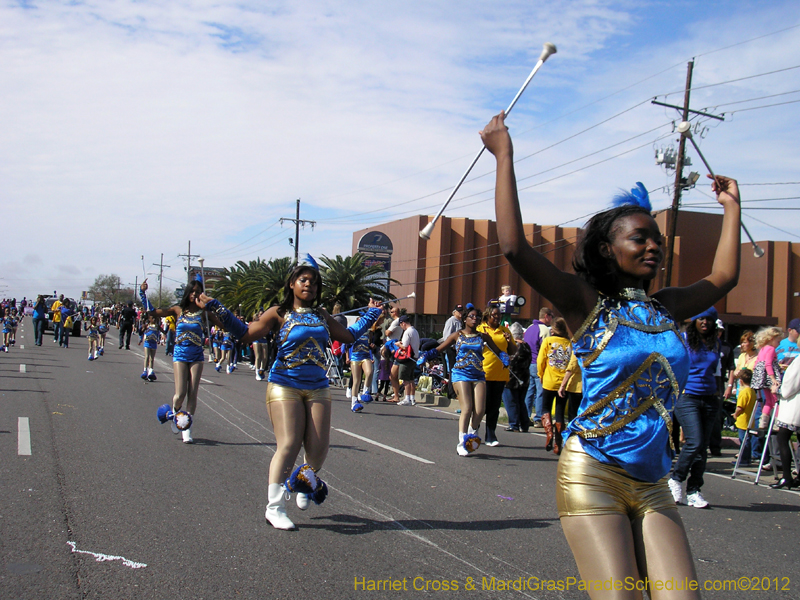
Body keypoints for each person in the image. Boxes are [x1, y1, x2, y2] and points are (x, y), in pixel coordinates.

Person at [482, 110, 740, 598]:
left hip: (654, 481)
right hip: (594, 470)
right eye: (639, 238)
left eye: (658, 241)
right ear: (606, 249)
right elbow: (514, 248)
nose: (653, 248)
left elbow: (724, 278)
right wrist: (504, 155)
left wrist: (731, 207)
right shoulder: (584, 304)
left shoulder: (667, 307)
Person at [206, 255, 381, 530]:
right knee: (288, 444)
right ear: (292, 284)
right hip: (284, 384)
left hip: (318, 387)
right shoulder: (278, 313)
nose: (308, 284)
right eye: (303, 279)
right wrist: (219, 308)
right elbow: (245, 333)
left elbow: (347, 337)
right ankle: (274, 507)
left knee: (318, 450)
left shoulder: (322, 315)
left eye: (313, 281)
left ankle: (303, 482)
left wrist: (371, 314)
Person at [417, 304, 508, 455]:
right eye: (471, 316)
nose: (475, 319)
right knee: (467, 407)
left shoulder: (483, 337)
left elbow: (499, 351)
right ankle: (461, 441)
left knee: (480, 410)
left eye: (477, 317)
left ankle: (472, 432)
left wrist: (504, 358)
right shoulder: (457, 335)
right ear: (465, 319)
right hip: (460, 374)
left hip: (478, 374)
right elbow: (440, 349)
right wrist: (425, 355)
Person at [142, 280, 224, 444]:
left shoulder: (204, 313)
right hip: (180, 354)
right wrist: (143, 294)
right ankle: (175, 413)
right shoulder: (177, 310)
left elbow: (224, 322)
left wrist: (213, 306)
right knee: (180, 394)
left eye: (198, 291)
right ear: (188, 293)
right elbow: (153, 312)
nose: (195, 294)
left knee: (193, 393)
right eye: (192, 291)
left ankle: (186, 427)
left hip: (196, 355)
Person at [668, 308, 721, 509]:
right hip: (687, 396)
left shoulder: (714, 343)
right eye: (701, 318)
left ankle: (694, 491)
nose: (705, 322)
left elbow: (717, 372)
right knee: (695, 441)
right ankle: (676, 478)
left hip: (709, 398)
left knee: (702, 447)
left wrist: (719, 395)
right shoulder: (682, 339)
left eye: (709, 319)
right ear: (695, 321)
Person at [477, 302, 516, 446]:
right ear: (487, 316)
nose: (497, 318)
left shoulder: (504, 331)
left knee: (494, 406)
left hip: (500, 374)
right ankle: (474, 430)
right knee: (481, 406)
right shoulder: (480, 329)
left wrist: (508, 341)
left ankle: (490, 434)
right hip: (483, 373)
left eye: (499, 315)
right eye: (495, 315)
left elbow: (512, 351)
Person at [537, 317, 572, 455]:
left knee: (545, 407)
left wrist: (541, 374)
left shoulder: (548, 341)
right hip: (564, 382)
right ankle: (558, 443)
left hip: (549, 381)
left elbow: (541, 360)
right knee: (560, 411)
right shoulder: (569, 343)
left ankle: (549, 433)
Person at [770, 356, 800, 489]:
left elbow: (791, 385)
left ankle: (786, 477)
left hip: (795, 405)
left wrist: (779, 389)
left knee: (782, 437)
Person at [524, 307, 553, 428]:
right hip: (538, 363)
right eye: (551, 316)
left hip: (528, 362)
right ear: (546, 316)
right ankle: (539, 417)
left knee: (530, 391)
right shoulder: (544, 329)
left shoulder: (530, 328)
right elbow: (546, 349)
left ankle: (525, 415)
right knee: (540, 391)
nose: (551, 319)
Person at [751, 326, 783, 429]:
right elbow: (768, 364)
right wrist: (773, 378)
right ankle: (776, 423)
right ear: (772, 339)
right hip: (768, 377)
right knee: (776, 400)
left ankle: (763, 422)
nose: (779, 344)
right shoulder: (771, 349)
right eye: (778, 341)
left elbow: (756, 364)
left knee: (768, 402)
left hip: (761, 378)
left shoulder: (762, 349)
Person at [503, 322, 531, 433]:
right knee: (521, 401)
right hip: (524, 378)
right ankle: (524, 424)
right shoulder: (526, 346)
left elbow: (511, 361)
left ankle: (514, 424)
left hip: (512, 379)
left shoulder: (515, 346)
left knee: (511, 402)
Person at [732, 368, 757, 467]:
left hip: (743, 421)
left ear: (741, 381)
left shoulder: (743, 393)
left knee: (743, 441)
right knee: (748, 440)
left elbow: (740, 407)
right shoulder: (752, 392)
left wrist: (735, 414)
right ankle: (748, 458)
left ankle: (744, 459)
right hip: (751, 420)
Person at [395, 315, 420, 406]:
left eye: (401, 325)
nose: (401, 327)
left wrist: (398, 344)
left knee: (406, 379)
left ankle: (407, 398)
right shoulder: (415, 331)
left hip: (407, 358)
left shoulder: (407, 332)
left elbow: (404, 346)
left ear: (403, 323)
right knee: (411, 378)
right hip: (414, 357)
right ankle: (412, 398)